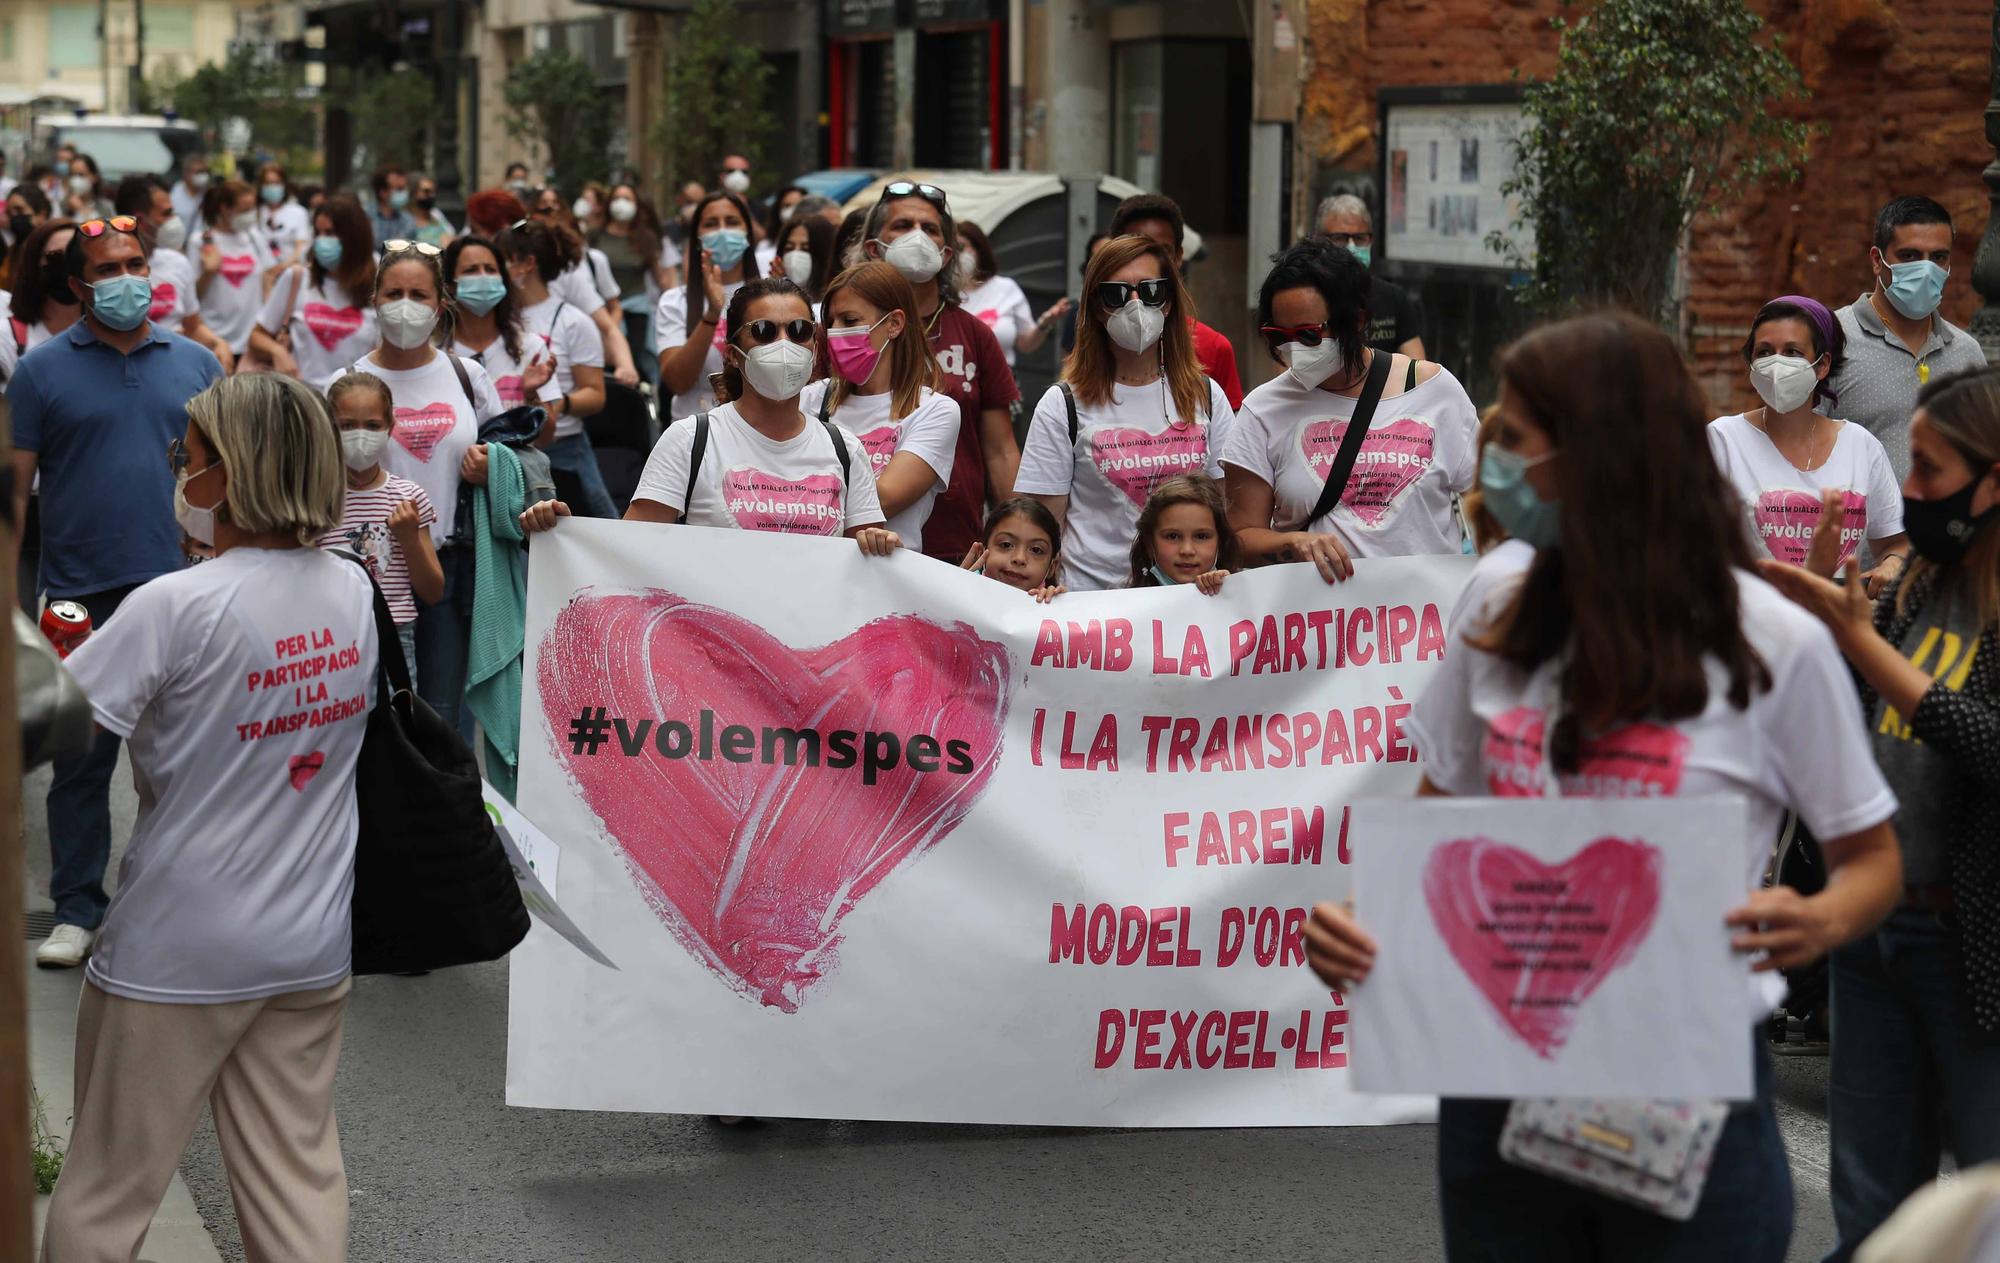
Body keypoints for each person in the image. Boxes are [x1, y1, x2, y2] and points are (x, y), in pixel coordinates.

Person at [1305, 310, 1905, 1263]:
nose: (1495, 464)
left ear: (1603, 457)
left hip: (1689, 1078)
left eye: (1520, 439)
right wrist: (1360, 919)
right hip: (1497, 1076)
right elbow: (1441, 820)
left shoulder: (1772, 639)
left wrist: (1820, 923)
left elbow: (1871, 858)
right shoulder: (1499, 612)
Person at [39, 372, 373, 1263]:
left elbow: (41, 729)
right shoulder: (350, 590)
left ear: (229, 474)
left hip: (177, 947)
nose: (178, 471)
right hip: (308, 941)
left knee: (108, 1189)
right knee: (297, 1180)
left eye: (187, 455)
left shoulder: (174, 604)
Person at [1757, 367, 2000, 1261]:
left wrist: (1861, 641)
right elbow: (1866, 721)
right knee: (1874, 1211)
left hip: (1972, 945)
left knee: (1986, 1201)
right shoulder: (1921, 584)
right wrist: (1822, 620)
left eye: (1931, 470)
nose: (1913, 490)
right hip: (1877, 935)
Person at [8, 214, 224, 969]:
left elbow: (225, 485)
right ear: (78, 285)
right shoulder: (39, 372)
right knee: (81, 761)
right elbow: (17, 492)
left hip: (186, 592)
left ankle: (177, 903)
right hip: (78, 598)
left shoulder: (199, 363)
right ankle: (75, 908)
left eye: (135, 263)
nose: (127, 279)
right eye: (107, 270)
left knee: (185, 760)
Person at [1223, 236, 1478, 578]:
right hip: (1317, 624)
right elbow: (1239, 539)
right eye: (1278, 336)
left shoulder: (1435, 391)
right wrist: (1291, 545)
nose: (1293, 348)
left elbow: (1487, 505)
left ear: (1356, 321)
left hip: (1425, 622)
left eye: (1309, 335)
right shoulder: (1263, 410)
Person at [610, 276, 896, 555]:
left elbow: (868, 566)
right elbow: (629, 549)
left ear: (815, 347)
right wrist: (569, 533)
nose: (784, 344)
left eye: (799, 330)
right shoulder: (689, 440)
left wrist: (879, 544)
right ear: (733, 354)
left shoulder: (845, 450)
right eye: (763, 331)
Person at [1015, 233, 1235, 590]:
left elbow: (1226, 512)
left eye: (1151, 291)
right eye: (1116, 294)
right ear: (1097, 309)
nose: (1136, 305)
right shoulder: (1063, 404)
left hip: (1187, 607)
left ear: (1169, 303)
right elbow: (1041, 528)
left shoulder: (1206, 396)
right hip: (1093, 610)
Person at [348, 240, 503, 734]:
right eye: (394, 293)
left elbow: (509, 454)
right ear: (374, 299)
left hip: (449, 568)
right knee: (372, 716)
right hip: (368, 569)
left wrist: (491, 466)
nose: (405, 306)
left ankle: (446, 811)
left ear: (440, 305)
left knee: (442, 717)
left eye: (419, 294)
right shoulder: (348, 381)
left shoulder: (467, 376)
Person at [856, 180, 1021, 565]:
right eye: (902, 226)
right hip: (859, 539)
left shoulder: (975, 334)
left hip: (955, 548)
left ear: (947, 255)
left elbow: (999, 449)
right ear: (872, 247)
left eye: (930, 229)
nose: (917, 236)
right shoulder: (844, 334)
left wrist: (1020, 534)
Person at [1709, 295, 1908, 590]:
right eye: (1764, 352)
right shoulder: (1722, 440)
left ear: (1822, 364)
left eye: (1792, 352)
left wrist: (1892, 564)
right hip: (1753, 625)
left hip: (1838, 626)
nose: (1776, 364)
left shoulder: (1861, 446)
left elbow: (1896, 543)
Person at [799, 261, 961, 552]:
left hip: (885, 581)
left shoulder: (934, 411)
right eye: (831, 322)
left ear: (894, 324)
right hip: (813, 567)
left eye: (849, 321)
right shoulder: (811, 399)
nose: (835, 333)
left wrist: (796, 492)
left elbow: (881, 499)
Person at [1831, 196, 1989, 481]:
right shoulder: (1833, 339)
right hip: (1856, 524)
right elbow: (1796, 443)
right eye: (1910, 256)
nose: (1926, 269)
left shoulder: (1967, 353)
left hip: (1942, 524)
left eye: (1938, 257)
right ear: (1878, 261)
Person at [319, 370, 442, 681]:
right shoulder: (313, 499)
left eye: (372, 425)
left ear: (390, 428)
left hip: (395, 635)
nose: (360, 435)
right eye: (347, 426)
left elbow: (432, 590)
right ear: (329, 428)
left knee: (397, 726)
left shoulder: (409, 497)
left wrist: (409, 538)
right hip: (329, 636)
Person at [493, 219, 611, 517]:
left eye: (500, 261)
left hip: (564, 453)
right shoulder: (494, 320)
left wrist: (556, 403)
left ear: (525, 264)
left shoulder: (574, 321)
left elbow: (595, 394)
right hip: (503, 450)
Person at [1109, 193, 1243, 408]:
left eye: (1162, 252)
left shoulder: (1214, 348)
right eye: (1137, 251)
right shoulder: (1095, 344)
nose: (1150, 264)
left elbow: (1228, 437)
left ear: (1179, 256)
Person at [248, 195, 378, 391]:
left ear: (354, 237)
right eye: (318, 233)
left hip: (355, 405)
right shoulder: (297, 279)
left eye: (331, 233)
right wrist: (277, 351)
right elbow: (257, 336)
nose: (322, 241)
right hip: (301, 403)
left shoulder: (380, 285)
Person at [517, 187, 639, 386]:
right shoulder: (508, 279)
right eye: (543, 207)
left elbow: (608, 325)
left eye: (555, 207)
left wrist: (625, 366)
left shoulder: (572, 278)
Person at [112, 174, 234, 372]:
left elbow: (192, 326)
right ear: (141, 221)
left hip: (175, 370)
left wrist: (218, 343)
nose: (174, 221)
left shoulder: (177, 262)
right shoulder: (109, 271)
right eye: (167, 214)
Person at [656, 189, 757, 421]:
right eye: (711, 224)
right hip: (694, 432)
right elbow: (677, 382)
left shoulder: (771, 296)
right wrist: (712, 313)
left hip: (757, 431)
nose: (723, 231)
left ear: (748, 234)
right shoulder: (675, 302)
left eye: (731, 222)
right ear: (697, 238)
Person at [444, 233, 552, 415]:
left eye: (490, 269)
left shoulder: (530, 347)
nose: (483, 277)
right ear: (450, 285)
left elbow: (547, 437)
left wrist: (531, 395)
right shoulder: (433, 353)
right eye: (471, 270)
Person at [1317, 193, 1427, 360]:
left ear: (1371, 241)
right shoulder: (1307, 299)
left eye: (1360, 238)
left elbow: (1418, 370)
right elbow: (1287, 370)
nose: (1351, 247)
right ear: (1320, 240)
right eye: (1340, 238)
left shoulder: (1394, 299)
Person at [956, 220, 1068, 368]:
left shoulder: (1005, 288)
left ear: (979, 249)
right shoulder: (941, 292)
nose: (956, 254)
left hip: (1000, 382)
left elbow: (1026, 344)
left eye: (961, 247)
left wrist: (1045, 322)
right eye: (950, 248)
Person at [591, 181, 665, 375]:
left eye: (627, 199)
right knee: (603, 362)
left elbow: (661, 279)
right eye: (616, 198)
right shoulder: (594, 236)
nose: (621, 203)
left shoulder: (646, 238)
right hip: (602, 311)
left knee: (634, 363)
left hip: (636, 311)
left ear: (636, 205)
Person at [193, 178, 271, 359]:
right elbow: (192, 295)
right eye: (245, 210)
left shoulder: (255, 238)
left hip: (251, 342)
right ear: (225, 208)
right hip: (216, 341)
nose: (251, 214)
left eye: (253, 208)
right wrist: (209, 271)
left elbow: (267, 280)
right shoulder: (202, 241)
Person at [0, 218, 81, 383]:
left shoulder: (106, 335)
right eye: (55, 257)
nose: (67, 266)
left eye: (76, 256)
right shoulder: (6, 338)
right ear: (34, 265)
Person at [1126, 473, 1236, 593]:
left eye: (1201, 536)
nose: (1187, 550)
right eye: (1172, 536)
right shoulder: (1123, 605)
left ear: (1220, 542)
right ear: (1150, 545)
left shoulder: (1245, 592)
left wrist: (1231, 587)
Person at [959, 497, 1065, 602]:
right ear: (981, 553)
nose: (1019, 558)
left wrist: (1061, 606)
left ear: (1052, 567)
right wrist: (953, 591)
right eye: (1006, 545)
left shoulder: (1053, 608)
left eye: (1036, 550)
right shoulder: (959, 592)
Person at [770, 212, 837, 303]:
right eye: (789, 248)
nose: (795, 255)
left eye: (806, 249)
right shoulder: (770, 297)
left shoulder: (837, 298)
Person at [255, 162, 312, 267]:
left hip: (289, 272)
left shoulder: (298, 212)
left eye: (277, 183)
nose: (272, 187)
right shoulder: (254, 213)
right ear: (260, 186)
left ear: (284, 185)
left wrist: (280, 268)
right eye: (267, 183)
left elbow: (301, 247)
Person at [2, 183, 50, 289]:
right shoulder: (10, 252)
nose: (14, 217)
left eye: (19, 210)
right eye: (9, 212)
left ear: (41, 215)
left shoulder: (49, 253)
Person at [369, 165, 417, 245]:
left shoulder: (408, 221)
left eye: (405, 188)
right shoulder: (365, 218)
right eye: (399, 189)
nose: (405, 193)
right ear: (383, 192)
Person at [61, 154, 111, 220]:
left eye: (81, 174)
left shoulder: (105, 207)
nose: (76, 179)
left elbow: (102, 228)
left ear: (94, 177)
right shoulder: (61, 205)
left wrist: (81, 208)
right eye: (72, 174)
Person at [411, 174, 455, 249]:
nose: (431, 195)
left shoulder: (436, 215)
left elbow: (450, 237)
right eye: (426, 191)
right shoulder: (405, 219)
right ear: (414, 193)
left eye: (433, 192)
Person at [170, 156, 210, 230]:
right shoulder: (174, 197)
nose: (204, 175)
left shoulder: (209, 193)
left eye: (206, 171)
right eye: (199, 172)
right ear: (187, 173)